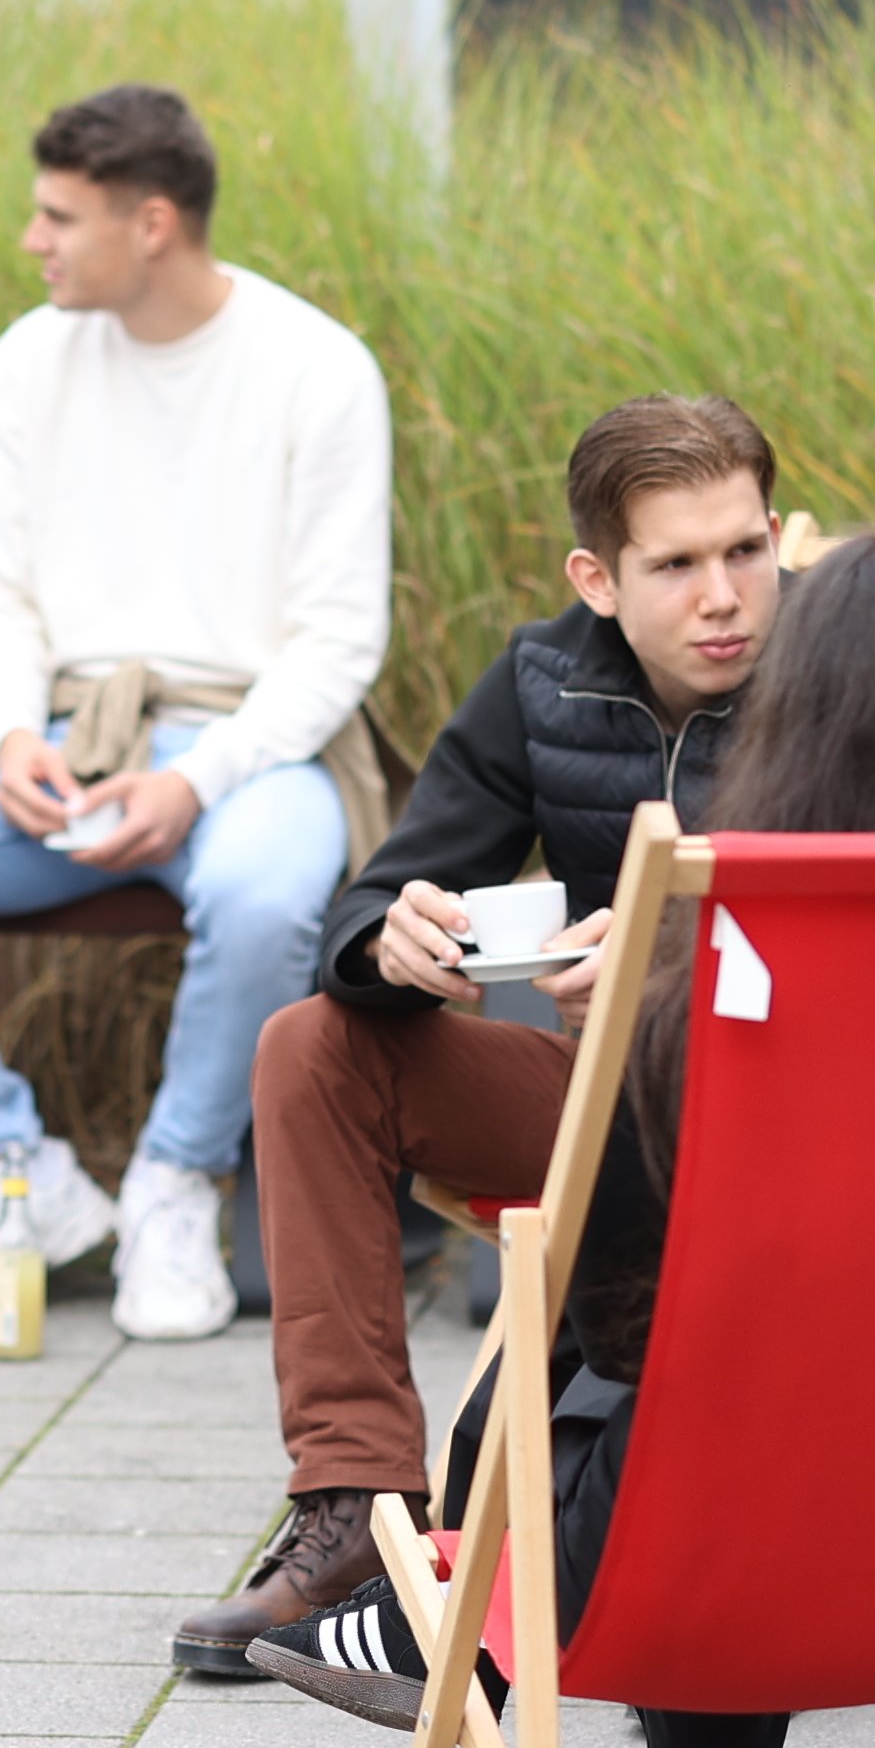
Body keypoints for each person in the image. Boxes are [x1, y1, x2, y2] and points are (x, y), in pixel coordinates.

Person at [240, 531, 875, 1748]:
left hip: (715, 1545)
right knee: (762, 1364)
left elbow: (635, 1352)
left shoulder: (710, 1018)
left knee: (677, 1382)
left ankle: (448, 1606)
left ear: (797, 731)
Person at [170, 395, 785, 1681]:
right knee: (312, 1046)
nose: (723, 595)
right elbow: (379, 891)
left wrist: (675, 962)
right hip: (606, 1097)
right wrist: (394, 942)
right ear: (598, 580)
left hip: (804, 1106)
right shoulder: (542, 682)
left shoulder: (847, 678)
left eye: (745, 551)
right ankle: (357, 1513)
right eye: (676, 565)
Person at [0, 84, 394, 1341]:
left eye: (58, 216)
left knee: (268, 894)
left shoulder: (315, 369)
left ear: (152, 223)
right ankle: (15, 1178)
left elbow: (340, 641)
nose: (32, 240)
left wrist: (195, 782)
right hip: (66, 738)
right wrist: (8, 733)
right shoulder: (32, 356)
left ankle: (175, 1187)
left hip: (251, 750)